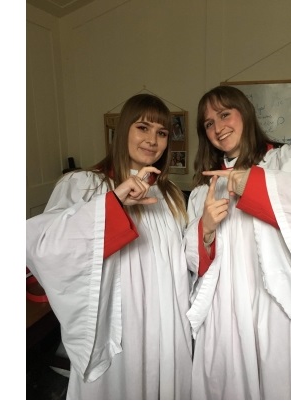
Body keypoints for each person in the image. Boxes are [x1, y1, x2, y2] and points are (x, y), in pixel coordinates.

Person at [26, 94, 193, 400]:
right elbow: (46, 246)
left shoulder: (170, 196)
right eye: (143, 127)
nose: (152, 140)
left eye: (162, 133)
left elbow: (181, 263)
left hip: (166, 323)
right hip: (119, 327)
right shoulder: (85, 184)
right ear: (123, 130)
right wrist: (113, 205)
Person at [184, 85, 291, 399]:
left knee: (282, 384)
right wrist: (204, 230)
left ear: (245, 113)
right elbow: (192, 263)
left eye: (224, 114)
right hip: (224, 310)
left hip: (278, 305)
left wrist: (255, 185)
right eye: (209, 123)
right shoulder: (203, 190)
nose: (219, 128)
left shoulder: (287, 161)